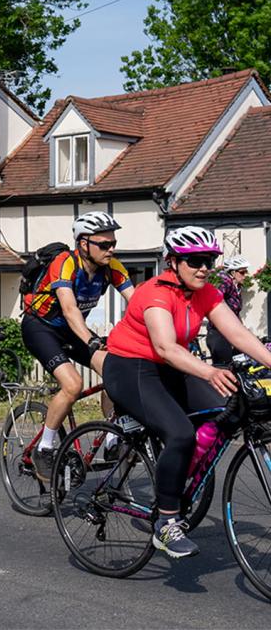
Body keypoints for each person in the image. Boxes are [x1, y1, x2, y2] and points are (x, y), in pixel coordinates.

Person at [103, 226, 271, 559]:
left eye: (209, 260)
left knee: (232, 406)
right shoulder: (153, 293)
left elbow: (238, 333)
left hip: (171, 367)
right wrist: (209, 371)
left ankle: (184, 475)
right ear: (173, 262)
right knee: (179, 432)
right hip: (131, 368)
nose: (204, 267)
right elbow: (165, 347)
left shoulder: (205, 292)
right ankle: (166, 524)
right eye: (195, 260)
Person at [21, 212, 135, 482]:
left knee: (115, 370)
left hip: (72, 331)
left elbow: (139, 302)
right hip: (41, 328)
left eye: (113, 243)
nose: (111, 250)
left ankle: (111, 438)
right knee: (72, 385)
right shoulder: (64, 263)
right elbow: (70, 310)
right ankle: (44, 447)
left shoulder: (112, 267)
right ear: (83, 244)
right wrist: (91, 340)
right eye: (104, 245)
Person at [206, 255, 250, 366]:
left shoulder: (237, 287)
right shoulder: (225, 280)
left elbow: (236, 313)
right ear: (233, 272)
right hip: (218, 332)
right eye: (242, 272)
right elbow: (215, 299)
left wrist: (243, 330)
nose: (245, 275)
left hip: (230, 332)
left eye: (246, 272)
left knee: (239, 364)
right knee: (224, 367)